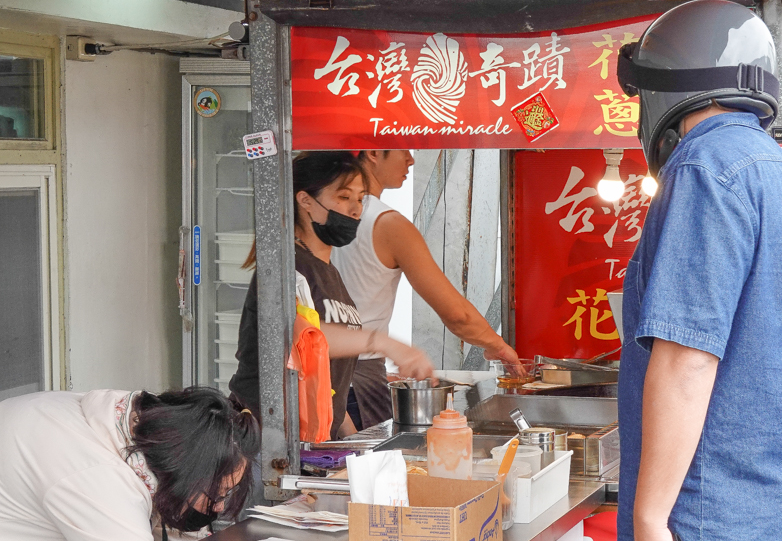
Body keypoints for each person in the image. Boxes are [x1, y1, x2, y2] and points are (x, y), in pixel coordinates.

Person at [614, 1, 782, 540]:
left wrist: (650, 519)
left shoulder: (704, 168)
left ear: (666, 86)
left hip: (714, 516)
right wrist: (777, 403)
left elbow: (688, 357)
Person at [228, 151, 433, 440]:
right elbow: (301, 339)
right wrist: (382, 343)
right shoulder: (288, 268)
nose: (355, 209)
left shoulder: (330, 272)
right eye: (344, 197)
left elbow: (324, 379)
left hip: (309, 440)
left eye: (360, 199)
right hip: (266, 438)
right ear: (306, 201)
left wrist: (351, 439)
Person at [331, 150, 520, 429]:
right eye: (403, 149)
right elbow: (457, 315)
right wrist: (499, 347)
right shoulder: (388, 223)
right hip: (355, 382)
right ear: (372, 153)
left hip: (327, 373)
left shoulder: (326, 217)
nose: (411, 159)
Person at [0, 386, 258, 540]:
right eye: (219, 492)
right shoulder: (99, 482)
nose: (221, 505)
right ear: (186, 470)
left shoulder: (135, 419)